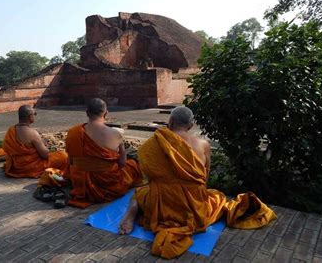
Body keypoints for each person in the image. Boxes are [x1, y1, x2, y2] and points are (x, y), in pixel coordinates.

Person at [118, 106, 277, 259]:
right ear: (191, 125)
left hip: (161, 203)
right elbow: (204, 178)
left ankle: (130, 213)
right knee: (217, 197)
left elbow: (149, 175)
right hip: (193, 207)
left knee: (140, 193)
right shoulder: (203, 145)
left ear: (171, 121)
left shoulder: (151, 145)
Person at [66, 98, 143, 208]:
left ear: (87, 113)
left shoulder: (73, 132)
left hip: (81, 183)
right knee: (133, 165)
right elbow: (122, 163)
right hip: (108, 184)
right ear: (106, 113)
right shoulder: (115, 134)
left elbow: (70, 161)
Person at [2, 105, 69, 179]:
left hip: (16, 166)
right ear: (30, 116)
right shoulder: (33, 133)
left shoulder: (10, 130)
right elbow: (45, 155)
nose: (34, 116)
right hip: (31, 167)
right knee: (63, 156)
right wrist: (46, 146)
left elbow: (7, 150)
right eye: (34, 114)